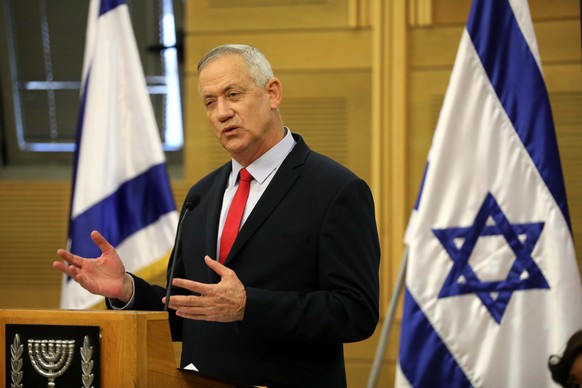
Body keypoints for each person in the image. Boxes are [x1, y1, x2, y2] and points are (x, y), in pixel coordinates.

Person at [53, 44, 380, 387]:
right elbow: (187, 312)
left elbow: (356, 311)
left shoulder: (336, 189)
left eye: (233, 94)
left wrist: (248, 306)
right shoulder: (201, 195)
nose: (222, 112)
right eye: (210, 102)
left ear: (272, 93)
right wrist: (127, 289)